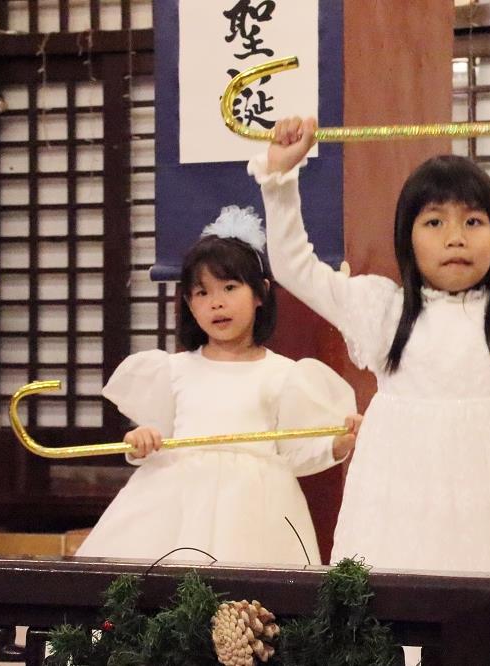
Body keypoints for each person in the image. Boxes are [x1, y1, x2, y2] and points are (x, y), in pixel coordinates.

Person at [248, 104, 490, 664]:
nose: (455, 238)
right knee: (405, 633)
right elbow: (293, 266)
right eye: (434, 223)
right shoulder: (382, 310)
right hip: (407, 506)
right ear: (407, 239)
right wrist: (281, 180)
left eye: (473, 222)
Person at [76, 205, 360, 564]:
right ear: (189, 303)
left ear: (261, 293)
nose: (217, 303)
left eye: (229, 287)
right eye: (202, 293)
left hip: (257, 510)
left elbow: (293, 453)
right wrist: (142, 441)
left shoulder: (283, 374)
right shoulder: (173, 370)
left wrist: (335, 444)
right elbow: (158, 443)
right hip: (178, 507)